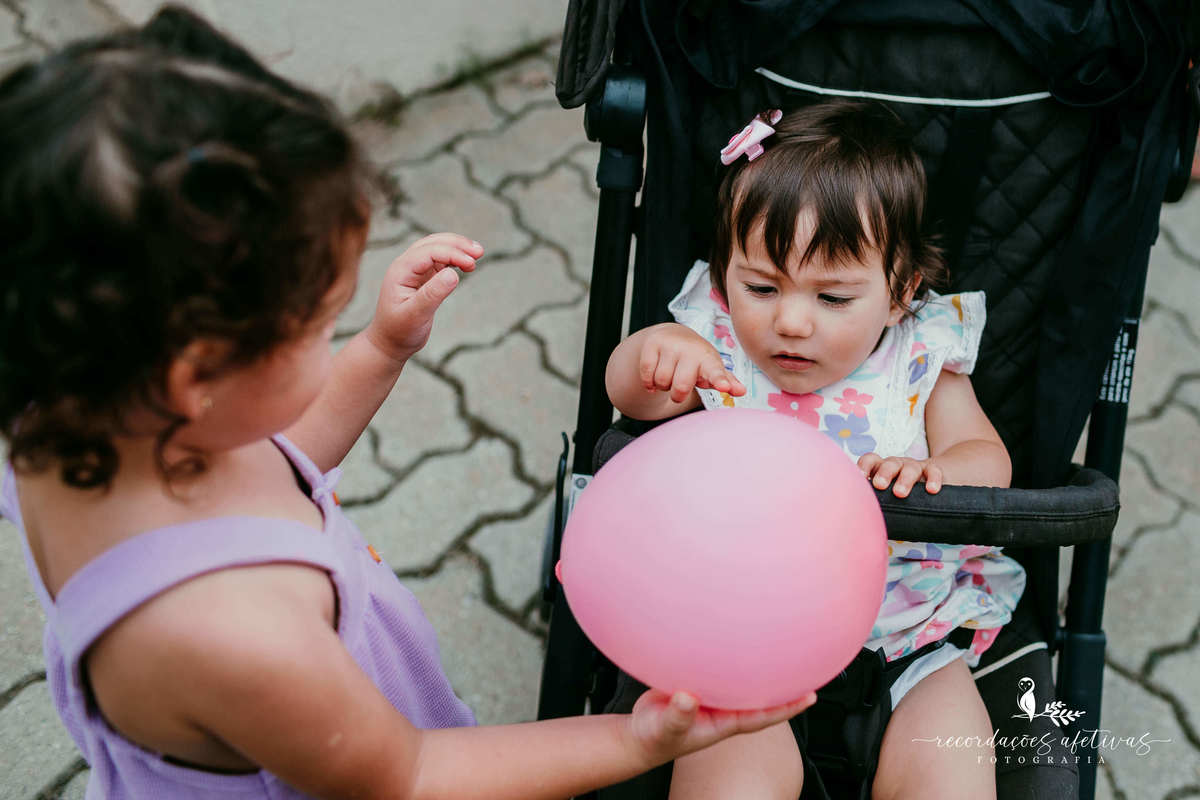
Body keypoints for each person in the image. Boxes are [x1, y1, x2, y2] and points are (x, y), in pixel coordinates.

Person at [0, 7, 815, 799]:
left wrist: (381, 349)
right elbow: (409, 774)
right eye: (319, 324)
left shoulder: (82, 417)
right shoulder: (234, 635)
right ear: (198, 378)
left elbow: (281, 467)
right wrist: (635, 741)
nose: (332, 336)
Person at [605, 101, 1026, 799]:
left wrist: (935, 470)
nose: (791, 321)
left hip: (907, 634)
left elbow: (989, 459)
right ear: (726, 275)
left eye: (832, 297)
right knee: (729, 783)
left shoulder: (920, 358)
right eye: (761, 287)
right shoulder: (715, 344)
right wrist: (653, 356)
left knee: (950, 773)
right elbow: (633, 403)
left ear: (900, 293)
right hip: (741, 635)